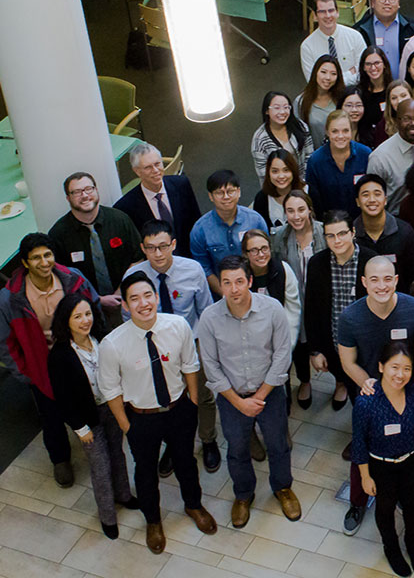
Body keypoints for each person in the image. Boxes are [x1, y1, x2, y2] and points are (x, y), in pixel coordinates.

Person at [98, 272, 216, 554]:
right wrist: (127, 426)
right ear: (125, 305)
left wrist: (193, 402)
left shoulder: (177, 326)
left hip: (179, 409)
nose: (143, 304)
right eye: (134, 299)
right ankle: (153, 521)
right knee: (146, 472)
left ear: (156, 296)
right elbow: (111, 391)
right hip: (141, 417)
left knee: (186, 462)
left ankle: (194, 505)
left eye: (147, 295)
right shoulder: (112, 344)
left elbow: (190, 365)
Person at [197, 256, 300, 529]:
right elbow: (210, 365)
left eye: (240, 281)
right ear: (219, 285)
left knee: (279, 444)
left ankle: (283, 488)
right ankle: (243, 494)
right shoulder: (209, 318)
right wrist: (239, 403)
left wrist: (261, 395)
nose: (234, 289)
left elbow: (281, 354)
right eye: (227, 283)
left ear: (250, 281)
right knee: (237, 448)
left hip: (270, 393)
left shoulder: (272, 309)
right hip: (232, 398)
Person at [337, 257, 414, 534]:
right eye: (375, 280)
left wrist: (402, 381)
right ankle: (357, 501)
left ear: (396, 279)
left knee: (406, 444)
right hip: (368, 391)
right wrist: (370, 384)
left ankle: (403, 494)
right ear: (364, 282)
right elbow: (348, 362)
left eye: (387, 279)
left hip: (406, 388)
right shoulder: (350, 317)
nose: (382, 286)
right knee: (363, 445)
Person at [0, 233, 100, 487]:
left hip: (78, 357)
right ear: (24, 263)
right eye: (36, 258)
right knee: (51, 417)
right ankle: (60, 460)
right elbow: (5, 342)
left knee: (89, 403)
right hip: (42, 367)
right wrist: (25, 374)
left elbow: (95, 310)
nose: (44, 262)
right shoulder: (10, 298)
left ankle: (98, 447)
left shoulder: (73, 280)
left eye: (47, 255)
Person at [123, 220, 218, 476]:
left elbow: (206, 312)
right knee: (166, 401)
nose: (158, 254)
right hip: (154, 351)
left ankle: (208, 439)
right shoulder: (133, 278)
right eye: (151, 248)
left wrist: (208, 351)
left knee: (204, 396)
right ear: (143, 248)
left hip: (192, 344)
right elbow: (128, 323)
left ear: (173, 245)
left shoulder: (193, 269)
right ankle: (173, 446)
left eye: (163, 246)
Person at [48, 294, 137, 539]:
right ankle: (108, 516)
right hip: (87, 419)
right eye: (77, 316)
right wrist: (80, 428)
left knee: (118, 453)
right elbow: (62, 398)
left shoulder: (102, 339)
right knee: (100, 465)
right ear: (66, 321)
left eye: (87, 314)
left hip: (112, 407)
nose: (84, 320)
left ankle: (124, 495)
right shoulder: (59, 355)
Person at [352, 341, 414, 577]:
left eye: (406, 368)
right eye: (395, 367)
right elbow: (359, 442)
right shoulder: (366, 401)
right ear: (381, 366)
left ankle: (413, 543)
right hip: (380, 465)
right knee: (385, 508)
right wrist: (365, 476)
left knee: (413, 503)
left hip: (412, 462)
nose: (400, 374)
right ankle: (391, 547)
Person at [50, 172, 143, 326]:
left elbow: (138, 258)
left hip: (128, 297)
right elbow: (61, 279)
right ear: (68, 198)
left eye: (89, 189)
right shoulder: (58, 235)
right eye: (77, 192)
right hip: (85, 309)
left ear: (96, 190)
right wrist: (96, 298)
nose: (85, 195)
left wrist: (120, 292)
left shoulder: (120, 220)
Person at [305, 210, 375, 413]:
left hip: (367, 345)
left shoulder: (371, 260)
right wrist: (315, 350)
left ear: (353, 232)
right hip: (336, 343)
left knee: (370, 394)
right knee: (353, 394)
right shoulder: (317, 264)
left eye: (342, 233)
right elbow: (311, 309)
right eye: (331, 235)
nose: (337, 240)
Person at [272, 190, 327, 409]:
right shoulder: (281, 237)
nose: (296, 216)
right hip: (294, 300)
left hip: (322, 300)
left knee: (329, 342)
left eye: (301, 210)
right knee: (299, 345)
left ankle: (340, 382)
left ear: (310, 210)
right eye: (290, 211)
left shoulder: (323, 232)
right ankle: (305, 381)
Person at [114, 142, 201, 258]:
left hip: (190, 256)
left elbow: (196, 221)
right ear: (137, 171)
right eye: (148, 167)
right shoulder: (125, 206)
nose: (155, 170)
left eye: (157, 164)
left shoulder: (181, 184)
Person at [190, 170, 268, 296]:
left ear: (239, 192)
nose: (226, 197)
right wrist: (226, 293)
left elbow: (266, 254)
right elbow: (204, 268)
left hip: (256, 289)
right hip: (220, 293)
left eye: (230, 191)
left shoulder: (255, 220)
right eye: (219, 193)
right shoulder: (200, 230)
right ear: (210, 196)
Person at [353, 174, 414, 292]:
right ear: (357, 202)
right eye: (365, 195)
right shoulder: (350, 234)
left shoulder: (405, 232)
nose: (372, 200)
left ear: (385, 200)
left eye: (377, 194)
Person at [305, 109, 372, 219]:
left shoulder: (365, 154)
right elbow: (315, 201)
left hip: (362, 221)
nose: (340, 136)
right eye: (335, 131)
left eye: (345, 131)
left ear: (352, 131)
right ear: (327, 132)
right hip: (330, 224)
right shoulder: (315, 161)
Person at [242, 231, 300, 354]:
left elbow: (292, 313)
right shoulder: (240, 275)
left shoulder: (283, 270)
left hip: (281, 338)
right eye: (254, 250)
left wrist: (286, 349)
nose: (261, 254)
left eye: (264, 248)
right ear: (245, 254)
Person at [354, 0, 414, 78]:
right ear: (373, 3)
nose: (387, 3)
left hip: (404, 88)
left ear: (398, 3)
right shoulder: (359, 30)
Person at [301, 0, 365, 85]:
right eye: (322, 12)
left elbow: (363, 73)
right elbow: (314, 82)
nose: (328, 15)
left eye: (331, 10)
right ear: (315, 16)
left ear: (337, 12)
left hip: (354, 92)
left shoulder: (355, 36)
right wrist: (349, 73)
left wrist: (330, 80)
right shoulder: (307, 47)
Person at [251, 92, 313, 183]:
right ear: (266, 111)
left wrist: (303, 182)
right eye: (276, 108)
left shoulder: (300, 126)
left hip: (303, 181)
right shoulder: (259, 140)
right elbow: (264, 174)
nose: (282, 112)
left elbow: (310, 155)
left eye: (286, 107)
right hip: (278, 187)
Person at [296, 56, 346, 150]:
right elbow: (297, 133)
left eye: (333, 74)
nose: (328, 77)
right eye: (323, 72)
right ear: (315, 73)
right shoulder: (301, 101)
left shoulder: (342, 98)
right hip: (316, 156)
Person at [253, 150, 305, 234]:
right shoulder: (262, 198)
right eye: (275, 171)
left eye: (286, 170)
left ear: (293, 171)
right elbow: (262, 233)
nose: (281, 176)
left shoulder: (308, 191)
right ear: (268, 173)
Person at [355, 46, 394, 143]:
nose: (373, 68)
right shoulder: (358, 93)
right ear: (363, 67)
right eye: (368, 64)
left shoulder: (393, 91)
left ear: (384, 64)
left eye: (377, 63)